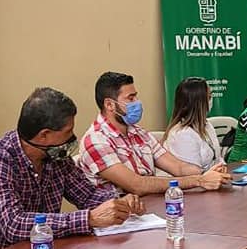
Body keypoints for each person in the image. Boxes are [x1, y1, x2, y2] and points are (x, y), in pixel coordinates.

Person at [0, 87, 144, 249]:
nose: (72, 137)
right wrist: (89, 219)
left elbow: (86, 195)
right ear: (44, 135)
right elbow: (13, 224)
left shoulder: (55, 156)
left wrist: (119, 202)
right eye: (68, 132)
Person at [78, 71, 231, 196]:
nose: (137, 102)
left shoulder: (139, 132)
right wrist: (199, 180)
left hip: (151, 208)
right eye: (131, 98)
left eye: (136, 96)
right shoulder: (96, 141)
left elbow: (178, 167)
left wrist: (208, 173)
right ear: (109, 104)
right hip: (120, 217)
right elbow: (137, 185)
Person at [161, 77, 224, 171]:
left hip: (214, 177)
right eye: (209, 97)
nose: (211, 101)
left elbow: (218, 159)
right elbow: (192, 174)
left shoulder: (207, 125)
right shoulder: (182, 134)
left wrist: (223, 167)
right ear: (198, 102)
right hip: (197, 179)